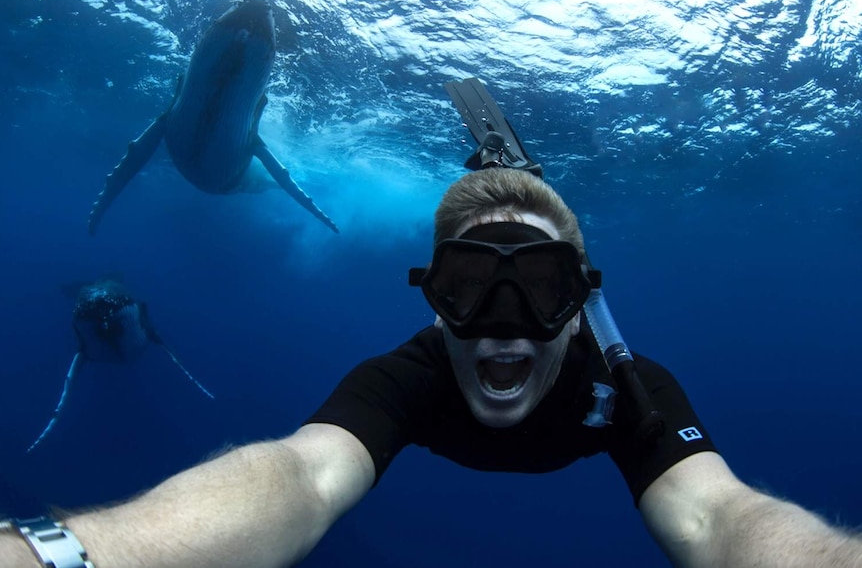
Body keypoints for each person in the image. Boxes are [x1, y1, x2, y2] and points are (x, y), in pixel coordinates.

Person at [2, 167, 861, 568]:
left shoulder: (625, 384)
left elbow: (719, 518)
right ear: (431, 302)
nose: (503, 327)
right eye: (469, 289)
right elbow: (302, 477)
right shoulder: (409, 377)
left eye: (541, 290)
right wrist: (69, 557)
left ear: (582, 302)